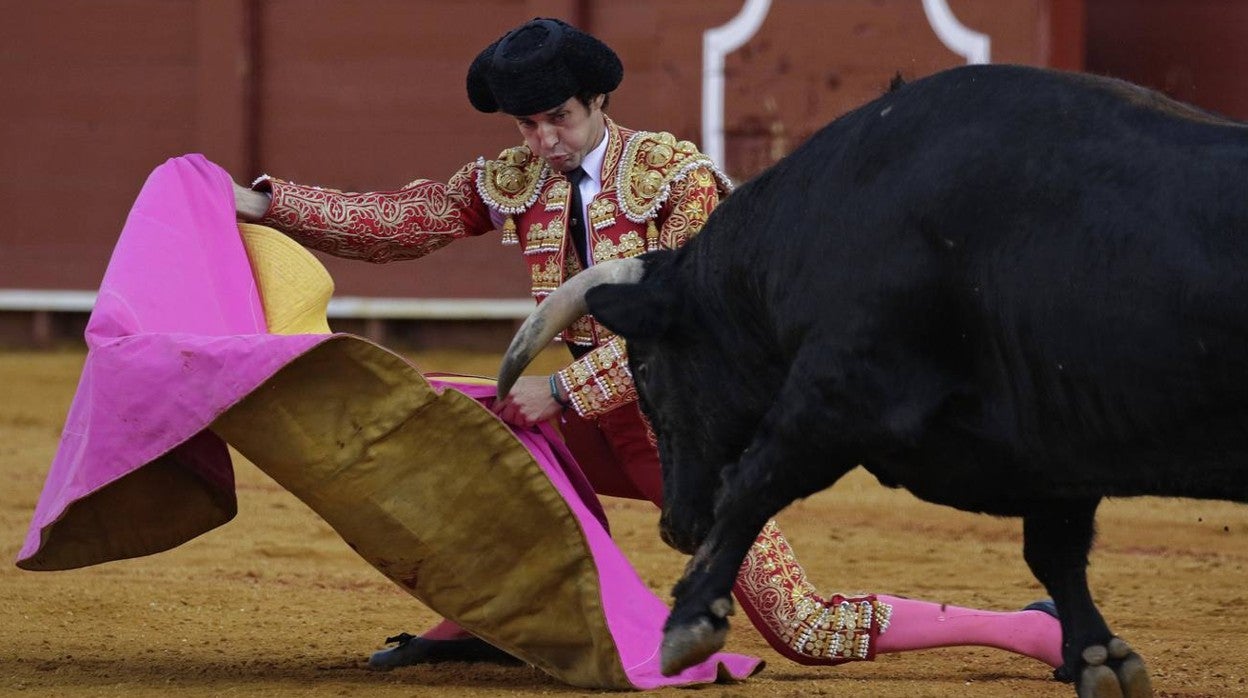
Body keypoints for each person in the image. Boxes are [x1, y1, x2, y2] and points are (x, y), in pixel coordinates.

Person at [234, 17, 1063, 675]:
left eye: (558, 118)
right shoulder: (520, 178)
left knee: (802, 627)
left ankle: (1030, 631)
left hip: (694, 434)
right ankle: (487, 622)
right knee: (448, 428)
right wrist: (265, 204)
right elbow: (402, 221)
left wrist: (561, 392)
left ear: (597, 101)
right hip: (595, 422)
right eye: (528, 124)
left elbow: (685, 327)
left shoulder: (675, 178)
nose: (543, 141)